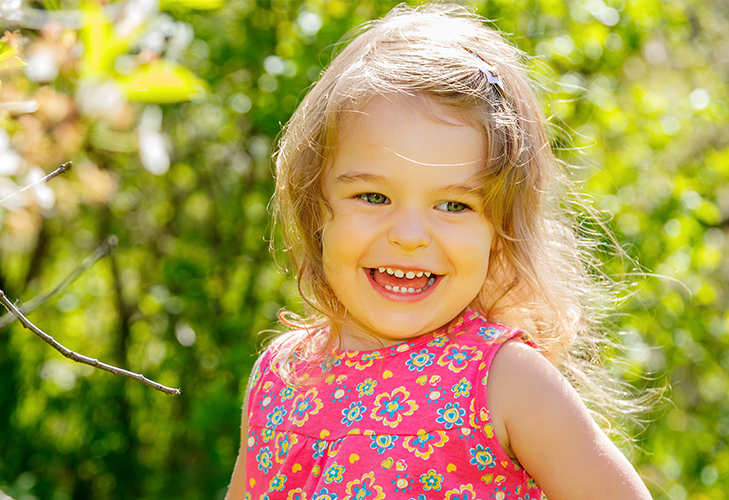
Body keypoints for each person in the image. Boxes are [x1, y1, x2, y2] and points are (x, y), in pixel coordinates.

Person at [225, 4, 652, 500]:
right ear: (315, 205)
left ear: (500, 230)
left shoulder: (505, 382)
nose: (409, 235)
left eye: (453, 204)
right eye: (374, 197)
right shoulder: (279, 376)